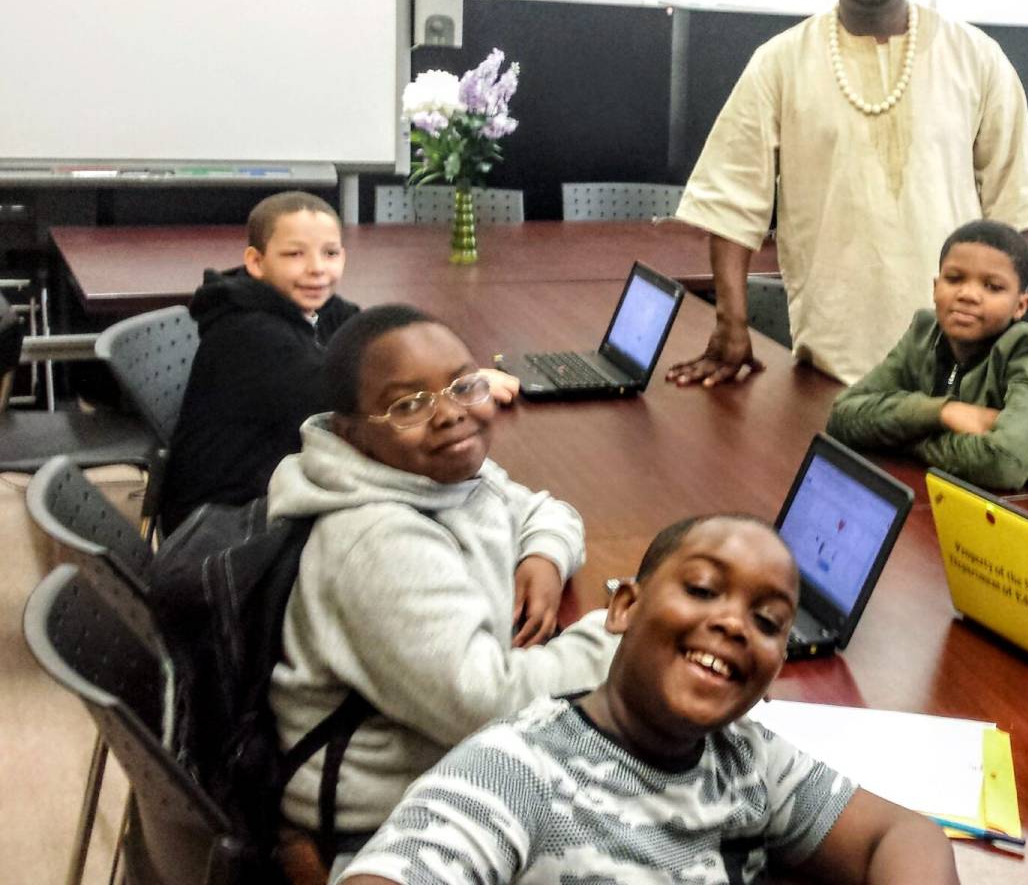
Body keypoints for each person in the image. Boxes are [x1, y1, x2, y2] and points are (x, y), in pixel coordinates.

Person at [339, 513, 959, 885]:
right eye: (702, 588)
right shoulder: (518, 770)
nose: (736, 625)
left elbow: (901, 833)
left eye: (768, 622)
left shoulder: (745, 758)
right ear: (625, 607)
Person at [268, 305, 616, 863]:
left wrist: (544, 557)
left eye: (464, 385)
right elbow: (484, 701)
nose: (450, 414)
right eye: (408, 404)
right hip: (392, 816)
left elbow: (544, 510)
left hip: (455, 747)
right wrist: (624, 638)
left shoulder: (440, 472)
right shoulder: (377, 541)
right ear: (351, 433)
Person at [669, 0, 1028, 388]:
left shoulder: (976, 56)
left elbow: (1014, 205)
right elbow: (730, 203)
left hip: (960, 356)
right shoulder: (780, 62)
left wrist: (1004, 333)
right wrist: (730, 324)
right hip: (831, 352)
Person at [162, 191, 517, 528]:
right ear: (256, 262)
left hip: (282, 479)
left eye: (330, 253)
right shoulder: (248, 332)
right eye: (294, 255)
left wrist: (446, 378)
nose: (317, 269)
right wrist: (460, 384)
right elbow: (349, 411)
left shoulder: (317, 308)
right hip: (230, 522)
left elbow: (378, 349)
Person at [826, 220, 1028, 504]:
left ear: (1020, 305)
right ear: (935, 287)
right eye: (954, 279)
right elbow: (843, 416)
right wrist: (943, 412)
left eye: (992, 286)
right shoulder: (924, 331)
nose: (968, 295)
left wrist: (903, 438)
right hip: (979, 498)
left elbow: (1005, 464)